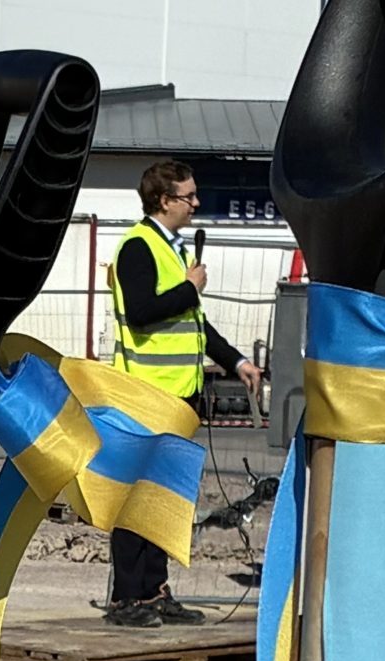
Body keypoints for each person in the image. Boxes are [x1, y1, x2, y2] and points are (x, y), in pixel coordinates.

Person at [104, 159, 264, 627]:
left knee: (164, 499)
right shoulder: (138, 247)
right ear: (163, 200)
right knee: (136, 498)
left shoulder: (172, 251)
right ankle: (126, 598)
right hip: (144, 397)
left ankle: (154, 590)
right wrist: (190, 289)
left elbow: (194, 325)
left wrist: (237, 361)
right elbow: (141, 312)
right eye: (188, 196)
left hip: (178, 400)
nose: (196, 203)